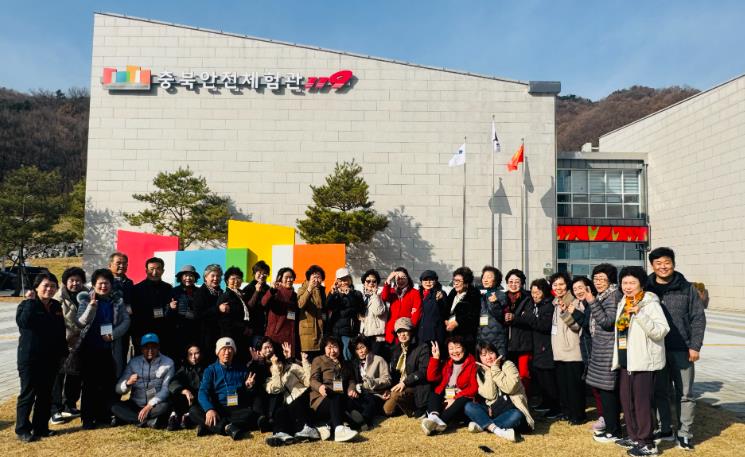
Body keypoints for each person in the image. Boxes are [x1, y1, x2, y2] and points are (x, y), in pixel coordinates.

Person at [647, 247, 706, 451]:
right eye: (658, 263)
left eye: (667, 262)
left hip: (682, 349)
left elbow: (698, 318)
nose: (663, 267)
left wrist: (695, 346)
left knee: (685, 393)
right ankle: (665, 428)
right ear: (652, 265)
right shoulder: (646, 287)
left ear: (673, 263)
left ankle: (685, 433)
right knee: (659, 391)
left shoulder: (687, 288)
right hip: (656, 349)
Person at [613, 266, 670, 457]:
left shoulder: (650, 303)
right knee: (626, 400)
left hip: (643, 362)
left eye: (632, 283)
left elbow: (661, 331)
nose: (628, 286)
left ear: (641, 284)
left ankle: (648, 443)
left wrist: (640, 313)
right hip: (626, 360)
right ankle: (634, 436)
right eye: (624, 283)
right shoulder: (624, 301)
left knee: (642, 403)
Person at [76, 269, 130, 429]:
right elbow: (80, 323)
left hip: (110, 349)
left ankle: (103, 415)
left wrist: (113, 334)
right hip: (90, 349)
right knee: (89, 385)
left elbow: (126, 321)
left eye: (106, 283)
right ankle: (87, 418)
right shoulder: (86, 300)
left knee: (107, 383)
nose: (103, 286)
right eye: (100, 283)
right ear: (93, 285)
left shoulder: (117, 301)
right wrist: (91, 307)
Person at [15, 273, 67, 442]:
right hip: (30, 357)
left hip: (51, 358)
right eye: (46, 285)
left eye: (53, 286)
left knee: (45, 394)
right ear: (36, 287)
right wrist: (30, 302)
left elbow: (61, 331)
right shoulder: (26, 304)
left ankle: (41, 427)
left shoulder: (56, 306)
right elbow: (23, 323)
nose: (49, 289)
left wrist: (63, 354)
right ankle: (22, 429)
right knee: (28, 393)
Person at [465, 342, 535, 442]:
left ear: (496, 353)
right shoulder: (480, 373)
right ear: (479, 358)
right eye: (484, 355)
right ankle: (497, 430)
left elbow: (509, 388)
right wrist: (489, 373)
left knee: (516, 415)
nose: (488, 357)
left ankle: (483, 425)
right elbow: (490, 395)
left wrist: (495, 370)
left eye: (491, 353)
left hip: (512, 409)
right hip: (494, 411)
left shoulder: (508, 365)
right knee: (469, 406)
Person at [586, 263, 624, 443]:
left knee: (609, 392)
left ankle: (613, 431)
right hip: (601, 349)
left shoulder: (613, 296)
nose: (598, 282)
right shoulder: (604, 296)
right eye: (596, 278)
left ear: (611, 280)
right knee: (604, 391)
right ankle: (611, 427)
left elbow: (608, 322)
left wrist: (591, 301)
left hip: (608, 351)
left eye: (602, 279)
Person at [193, 337, 259, 440]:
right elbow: (203, 392)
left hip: (237, 409)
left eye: (230, 349)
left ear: (234, 352)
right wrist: (209, 409)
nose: (227, 352)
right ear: (217, 352)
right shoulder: (210, 370)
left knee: (251, 414)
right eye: (223, 349)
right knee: (193, 411)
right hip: (218, 408)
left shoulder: (242, 369)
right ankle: (226, 427)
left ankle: (211, 426)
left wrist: (249, 387)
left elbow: (249, 393)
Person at [112, 333, 175, 428]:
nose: (150, 350)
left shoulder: (168, 363)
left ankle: (130, 419)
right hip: (135, 404)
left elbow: (166, 390)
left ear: (158, 348)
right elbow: (118, 389)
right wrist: (127, 383)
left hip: (155, 405)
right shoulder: (133, 362)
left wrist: (149, 405)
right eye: (146, 347)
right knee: (113, 406)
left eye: (153, 347)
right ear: (141, 349)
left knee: (165, 406)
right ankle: (147, 422)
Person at [49, 267, 87, 424]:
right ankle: (55, 410)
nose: (75, 283)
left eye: (78, 280)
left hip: (80, 342)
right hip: (62, 341)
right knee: (58, 376)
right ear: (65, 282)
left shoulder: (86, 295)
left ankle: (69, 405)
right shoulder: (58, 298)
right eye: (72, 280)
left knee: (75, 375)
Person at [263, 347, 321, 446]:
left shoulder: (292, 367)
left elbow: (308, 381)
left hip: (303, 396)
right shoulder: (269, 380)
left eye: (279, 362)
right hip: (289, 404)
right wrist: (276, 370)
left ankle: (308, 428)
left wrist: (305, 363)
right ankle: (281, 433)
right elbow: (278, 388)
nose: (278, 365)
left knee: (295, 402)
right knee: (280, 411)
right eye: (273, 365)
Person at [549, 271, 586, 425]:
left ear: (567, 285)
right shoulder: (555, 303)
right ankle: (567, 412)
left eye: (561, 284)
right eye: (555, 285)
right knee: (563, 386)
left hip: (572, 352)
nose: (558, 287)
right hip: (559, 352)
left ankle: (578, 415)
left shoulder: (575, 302)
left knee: (574, 387)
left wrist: (565, 311)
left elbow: (577, 326)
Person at [421, 336, 478, 435]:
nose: (454, 351)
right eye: (451, 348)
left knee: (463, 399)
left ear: (464, 348)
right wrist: (435, 358)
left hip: (460, 399)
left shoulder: (472, 364)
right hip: (446, 396)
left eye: (458, 347)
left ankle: (439, 422)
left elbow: (473, 388)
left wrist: (455, 398)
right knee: (434, 393)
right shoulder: (447, 363)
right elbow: (431, 377)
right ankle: (434, 416)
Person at [523, 278, 561, 419]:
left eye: (537, 292)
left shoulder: (549, 306)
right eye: (532, 292)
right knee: (541, 377)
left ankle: (556, 407)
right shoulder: (535, 305)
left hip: (546, 347)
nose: (534, 295)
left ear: (544, 292)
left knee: (548, 378)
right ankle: (546, 402)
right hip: (538, 346)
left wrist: (528, 316)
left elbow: (544, 325)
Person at [309, 336, 360, 442]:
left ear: (340, 348)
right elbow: (313, 380)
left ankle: (328, 427)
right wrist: (320, 387)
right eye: (329, 347)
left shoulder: (345, 363)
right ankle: (339, 430)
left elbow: (351, 380)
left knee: (349, 403)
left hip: (340, 398)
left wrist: (351, 389)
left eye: (335, 347)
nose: (332, 351)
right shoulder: (318, 360)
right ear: (324, 348)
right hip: (322, 399)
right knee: (337, 398)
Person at [383, 317, 432, 417]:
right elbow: (394, 373)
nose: (402, 334)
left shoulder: (422, 347)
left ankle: (418, 408)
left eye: (405, 330)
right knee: (387, 410)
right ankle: (404, 405)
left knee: (395, 395)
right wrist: (389, 388)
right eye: (399, 332)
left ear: (411, 331)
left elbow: (422, 372)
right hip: (400, 384)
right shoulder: (396, 349)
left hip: (415, 385)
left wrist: (405, 382)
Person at [499, 269, 534, 396]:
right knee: (509, 373)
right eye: (510, 281)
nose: (513, 284)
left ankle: (525, 397)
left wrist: (515, 318)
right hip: (506, 343)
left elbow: (530, 319)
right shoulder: (502, 297)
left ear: (522, 283)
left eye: (517, 282)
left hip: (523, 342)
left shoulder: (528, 298)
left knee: (524, 374)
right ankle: (511, 398)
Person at [130, 257, 173, 353]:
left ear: (163, 271)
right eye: (151, 269)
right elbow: (134, 316)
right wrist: (136, 337)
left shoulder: (168, 288)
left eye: (158, 269)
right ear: (146, 270)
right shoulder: (137, 289)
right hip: (143, 334)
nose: (155, 272)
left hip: (164, 334)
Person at [349, 335, 392, 428]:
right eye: (357, 349)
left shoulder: (378, 360)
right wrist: (355, 388)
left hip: (376, 394)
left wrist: (373, 382)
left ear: (367, 346)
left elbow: (387, 379)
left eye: (362, 347)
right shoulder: (355, 363)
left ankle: (363, 421)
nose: (360, 351)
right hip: (361, 394)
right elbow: (352, 380)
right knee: (352, 402)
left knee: (371, 401)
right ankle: (353, 421)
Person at [326, 267, 364, 361]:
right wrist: (331, 293)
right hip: (335, 331)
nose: (343, 283)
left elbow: (360, 309)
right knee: (335, 356)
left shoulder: (356, 294)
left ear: (350, 280)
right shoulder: (334, 294)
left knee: (347, 355)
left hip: (349, 331)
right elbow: (327, 306)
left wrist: (349, 294)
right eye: (340, 281)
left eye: (345, 280)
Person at [216, 267, 251, 365]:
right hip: (231, 336)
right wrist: (243, 328)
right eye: (233, 279)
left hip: (242, 335)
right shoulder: (226, 296)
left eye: (238, 278)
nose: (236, 281)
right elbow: (225, 320)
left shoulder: (241, 295)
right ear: (227, 281)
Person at [261, 268, 300, 358]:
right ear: (280, 279)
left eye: (291, 277)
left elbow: (293, 316)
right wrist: (272, 290)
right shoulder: (275, 292)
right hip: (275, 336)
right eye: (286, 277)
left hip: (290, 336)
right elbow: (264, 302)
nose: (289, 280)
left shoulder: (295, 295)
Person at [166, 265, 200, 364]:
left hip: (195, 330)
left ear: (195, 278)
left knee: (192, 357)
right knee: (178, 357)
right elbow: (166, 312)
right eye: (185, 275)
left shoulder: (199, 292)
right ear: (181, 277)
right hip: (178, 331)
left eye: (191, 276)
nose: (188, 278)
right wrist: (170, 307)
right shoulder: (173, 291)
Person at [167, 344, 205, 431]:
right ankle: (174, 417)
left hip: (199, 400)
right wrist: (184, 391)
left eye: (196, 353)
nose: (193, 357)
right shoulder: (184, 369)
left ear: (201, 354)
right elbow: (173, 382)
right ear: (187, 356)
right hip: (185, 400)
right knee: (175, 394)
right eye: (190, 354)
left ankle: (188, 418)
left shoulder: (207, 369)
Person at [381, 267, 422, 345]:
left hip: (405, 331)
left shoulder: (414, 292)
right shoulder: (392, 291)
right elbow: (384, 297)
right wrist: (388, 280)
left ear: (408, 278)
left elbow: (417, 312)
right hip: (392, 330)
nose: (401, 280)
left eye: (403, 278)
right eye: (398, 278)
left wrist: (409, 327)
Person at [443, 267, 480, 351]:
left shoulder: (473, 294)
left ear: (466, 282)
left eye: (458, 281)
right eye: (454, 280)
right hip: (450, 334)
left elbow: (473, 315)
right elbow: (446, 309)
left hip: (465, 336)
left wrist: (457, 322)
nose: (455, 283)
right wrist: (445, 319)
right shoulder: (453, 292)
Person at [193, 264, 224, 364]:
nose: (216, 278)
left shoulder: (221, 293)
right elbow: (198, 314)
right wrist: (217, 309)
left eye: (218, 276)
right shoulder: (200, 293)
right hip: (205, 337)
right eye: (213, 276)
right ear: (206, 277)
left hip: (219, 336)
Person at [296, 265, 325, 358]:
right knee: (308, 362)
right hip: (308, 333)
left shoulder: (321, 291)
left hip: (320, 332)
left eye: (319, 277)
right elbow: (300, 304)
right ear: (309, 277)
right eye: (314, 277)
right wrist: (309, 289)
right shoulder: (302, 289)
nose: (316, 280)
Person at [478, 266, 507, 358]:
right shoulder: (481, 296)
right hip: (482, 339)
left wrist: (495, 303)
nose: (485, 279)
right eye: (484, 277)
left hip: (497, 340)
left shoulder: (501, 295)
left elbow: (500, 316)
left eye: (489, 277)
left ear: (496, 280)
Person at [243, 261, 271, 349]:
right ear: (254, 273)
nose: (262, 275)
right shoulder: (248, 288)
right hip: (253, 329)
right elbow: (248, 308)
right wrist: (257, 292)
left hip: (267, 328)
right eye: (259, 272)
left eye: (265, 273)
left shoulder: (268, 289)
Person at [359, 269, 388, 357]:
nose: (371, 283)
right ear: (364, 283)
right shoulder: (362, 297)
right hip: (364, 334)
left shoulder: (381, 295)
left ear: (377, 283)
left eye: (374, 281)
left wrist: (375, 295)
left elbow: (379, 311)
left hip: (377, 336)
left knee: (375, 360)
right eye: (368, 281)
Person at [417, 270, 447, 348]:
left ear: (435, 281)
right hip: (420, 333)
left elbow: (444, 311)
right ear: (421, 282)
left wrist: (439, 301)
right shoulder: (418, 294)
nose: (428, 282)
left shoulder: (440, 293)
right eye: (425, 280)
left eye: (431, 280)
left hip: (434, 333)